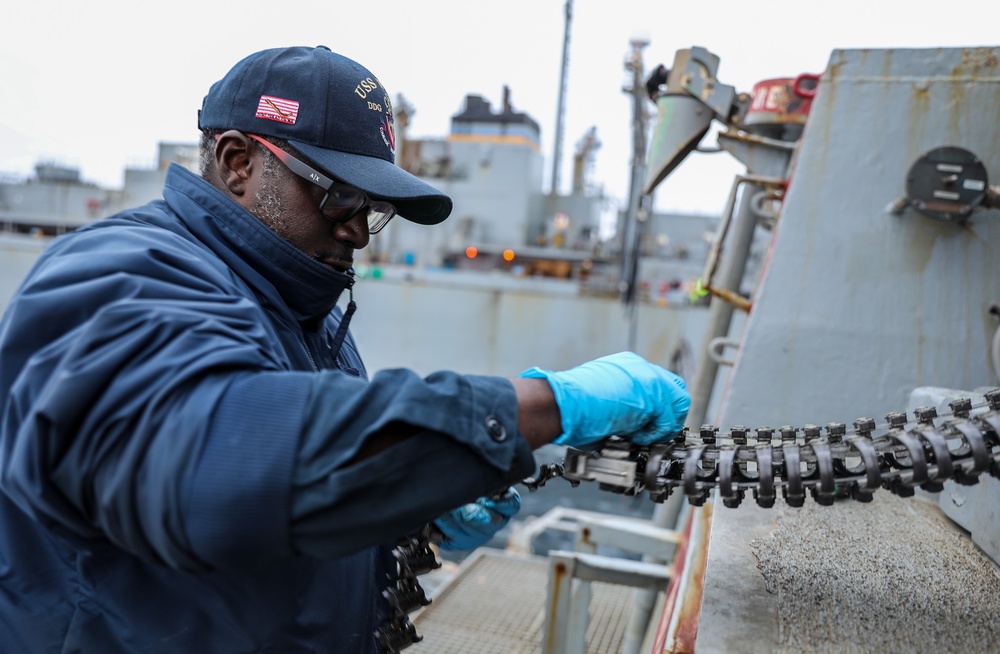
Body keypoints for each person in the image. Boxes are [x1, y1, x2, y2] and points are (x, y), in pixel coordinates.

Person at [0, 45, 690, 653]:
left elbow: (289, 507)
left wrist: (406, 506)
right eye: (339, 197)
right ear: (239, 162)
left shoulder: (297, 303)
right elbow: (224, 464)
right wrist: (544, 405)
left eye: (374, 208)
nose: (359, 231)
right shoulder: (122, 276)